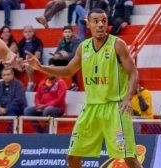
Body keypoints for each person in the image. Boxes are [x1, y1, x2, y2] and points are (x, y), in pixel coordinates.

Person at [25, 9, 141, 168]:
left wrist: (128, 98)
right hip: (91, 108)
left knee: (129, 159)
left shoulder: (118, 44)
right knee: (72, 157)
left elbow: (133, 73)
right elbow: (68, 71)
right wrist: (40, 67)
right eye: (96, 21)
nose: (100, 24)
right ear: (88, 24)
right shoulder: (83, 47)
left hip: (115, 107)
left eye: (104, 21)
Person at [17, 25, 44, 90]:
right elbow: (18, 54)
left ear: (33, 32)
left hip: (36, 61)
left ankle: (31, 83)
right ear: (23, 33)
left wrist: (27, 60)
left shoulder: (37, 41)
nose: (28, 33)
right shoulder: (21, 42)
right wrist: (19, 62)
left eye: (29, 31)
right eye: (26, 32)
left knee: (27, 64)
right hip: (24, 62)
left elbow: (37, 56)